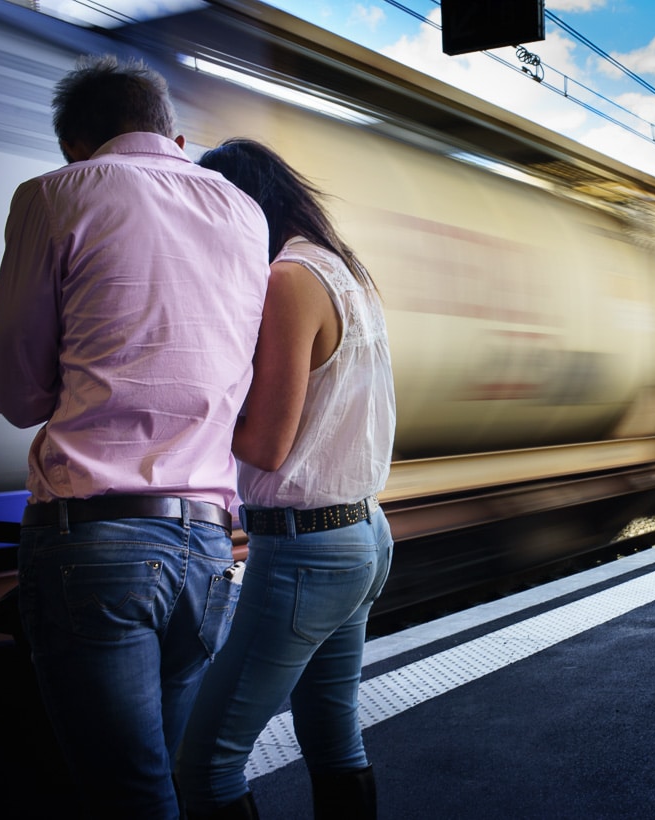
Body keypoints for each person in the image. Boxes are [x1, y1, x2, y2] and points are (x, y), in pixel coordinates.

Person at [0, 57, 269, 818]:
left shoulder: (55, 195)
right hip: (209, 552)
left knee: (123, 797)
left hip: (94, 546)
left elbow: (14, 391)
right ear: (171, 133)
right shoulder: (244, 213)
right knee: (155, 780)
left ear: (77, 144)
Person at [177, 139, 396, 820]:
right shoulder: (342, 270)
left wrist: (191, 412)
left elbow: (268, 446)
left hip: (305, 552)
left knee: (205, 763)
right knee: (333, 737)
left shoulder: (288, 278)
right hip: (361, 532)